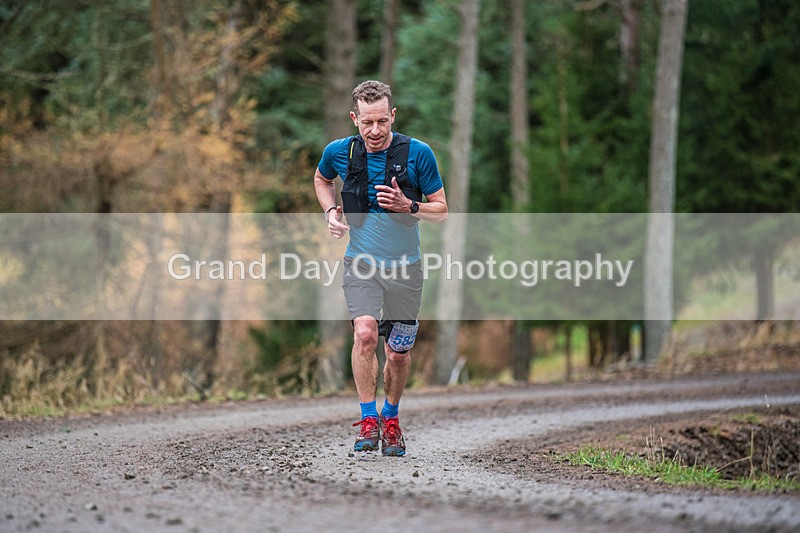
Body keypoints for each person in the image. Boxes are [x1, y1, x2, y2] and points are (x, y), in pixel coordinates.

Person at [314, 80, 448, 456]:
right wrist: (330, 212)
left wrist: (411, 207)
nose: (374, 131)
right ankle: (368, 419)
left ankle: (391, 419)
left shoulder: (419, 154)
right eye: (366, 122)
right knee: (366, 333)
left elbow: (443, 210)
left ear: (392, 116)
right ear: (355, 118)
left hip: (406, 269)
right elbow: (322, 178)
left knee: (397, 353)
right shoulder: (339, 152)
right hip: (361, 264)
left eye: (381, 122)